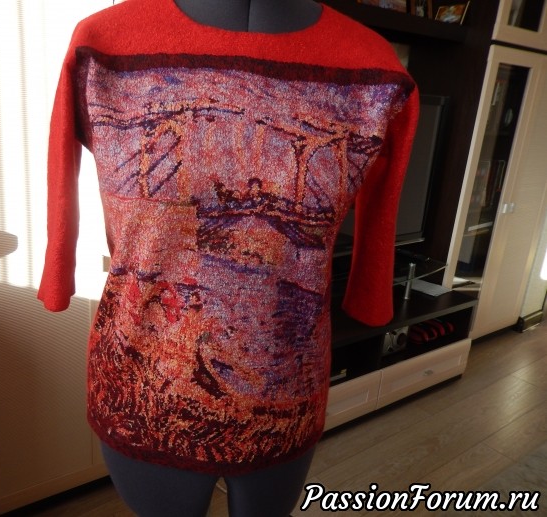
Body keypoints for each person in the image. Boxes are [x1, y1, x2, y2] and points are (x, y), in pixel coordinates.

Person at [38, 0, 419, 515]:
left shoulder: (376, 71)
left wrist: (371, 294)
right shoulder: (103, 45)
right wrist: (58, 272)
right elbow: (62, 166)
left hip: (289, 389)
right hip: (140, 375)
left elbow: (383, 205)